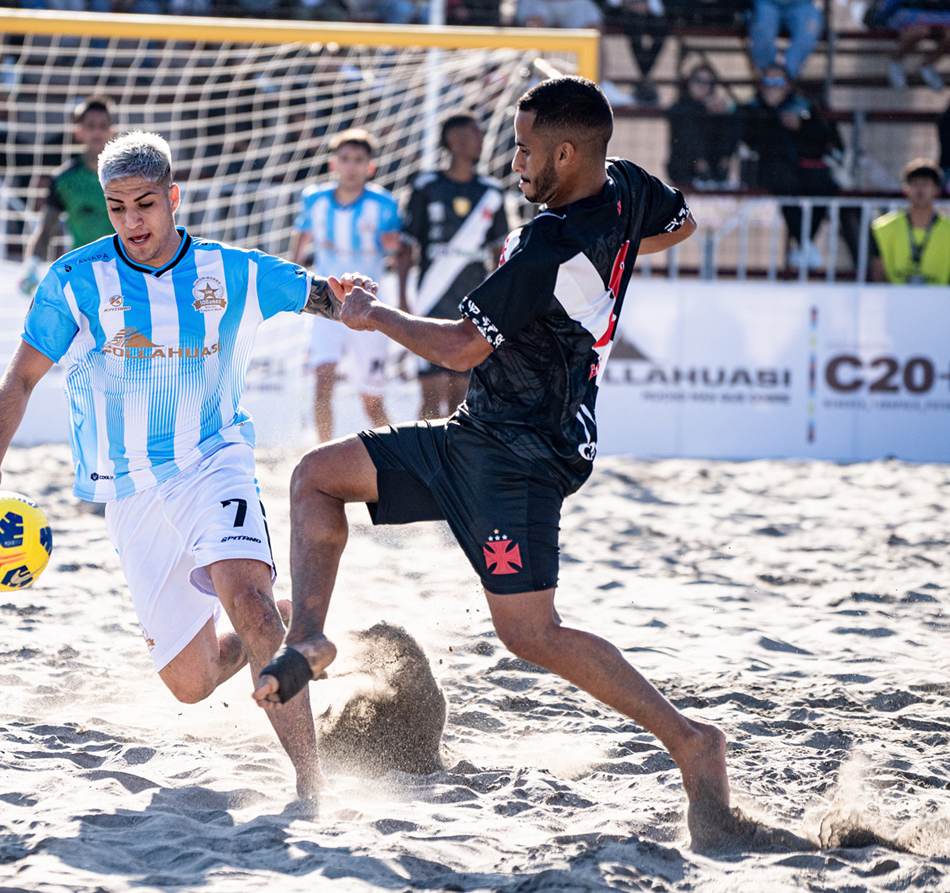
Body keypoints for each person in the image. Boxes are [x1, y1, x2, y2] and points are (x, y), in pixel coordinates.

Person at [254, 77, 733, 840]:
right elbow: (679, 225)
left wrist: (372, 315)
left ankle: (692, 739)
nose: (513, 161)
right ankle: (308, 635)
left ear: (567, 153)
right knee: (316, 475)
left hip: (522, 455)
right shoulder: (627, 187)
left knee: (530, 633)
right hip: (477, 434)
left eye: (525, 149)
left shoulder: (549, 242)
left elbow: (457, 346)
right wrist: (602, 268)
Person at [0, 131, 345, 798]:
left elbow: (328, 296)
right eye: (117, 207)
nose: (132, 221)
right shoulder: (75, 281)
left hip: (213, 459)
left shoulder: (233, 270)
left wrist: (368, 304)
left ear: (174, 197)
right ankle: (277, 618)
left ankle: (312, 781)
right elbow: (20, 379)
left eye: (145, 203)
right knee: (191, 683)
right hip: (130, 488)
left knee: (251, 607)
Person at [292, 128, 402, 443]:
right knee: (322, 381)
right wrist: (295, 274)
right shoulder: (315, 199)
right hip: (325, 303)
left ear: (370, 166)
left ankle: (393, 457)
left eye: (358, 160)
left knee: (372, 399)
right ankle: (322, 450)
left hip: (368, 307)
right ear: (333, 164)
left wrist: (394, 247)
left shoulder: (384, 203)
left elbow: (396, 250)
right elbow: (301, 238)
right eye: (344, 159)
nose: (351, 166)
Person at [397, 113, 509, 420]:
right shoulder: (426, 185)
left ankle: (453, 465)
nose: (481, 141)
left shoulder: (491, 192)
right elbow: (406, 248)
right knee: (431, 395)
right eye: (474, 135)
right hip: (430, 298)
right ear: (453, 141)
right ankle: (421, 465)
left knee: (463, 394)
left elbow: (500, 251)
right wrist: (406, 300)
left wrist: (498, 301)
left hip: (473, 300)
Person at [739, 64, 858, 271]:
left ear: (788, 85)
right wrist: (771, 115)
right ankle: (805, 244)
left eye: (779, 82)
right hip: (771, 166)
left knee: (823, 185)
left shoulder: (804, 106)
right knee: (786, 184)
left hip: (806, 165)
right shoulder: (753, 108)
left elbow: (824, 137)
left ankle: (804, 243)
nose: (774, 87)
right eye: (769, 82)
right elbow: (750, 140)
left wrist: (801, 126)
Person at [21, 96, 117, 295]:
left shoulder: (128, 177)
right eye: (91, 126)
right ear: (79, 132)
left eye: (103, 125)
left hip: (126, 272)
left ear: (112, 131)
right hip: (83, 276)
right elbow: (46, 228)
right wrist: (31, 266)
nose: (97, 132)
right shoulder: (64, 180)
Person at [870, 159, 950, 284]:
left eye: (925, 183)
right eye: (914, 183)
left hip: (939, 301)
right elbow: (878, 272)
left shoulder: (947, 229)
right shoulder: (883, 227)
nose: (920, 189)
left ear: (937, 189)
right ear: (906, 189)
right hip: (895, 299)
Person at [665, 64, 740, 190]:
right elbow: (678, 115)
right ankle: (704, 169)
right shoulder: (680, 107)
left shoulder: (716, 107)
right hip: (684, 170)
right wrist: (703, 107)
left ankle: (721, 166)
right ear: (689, 82)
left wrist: (728, 107)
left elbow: (738, 113)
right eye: (698, 80)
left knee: (729, 119)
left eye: (708, 82)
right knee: (689, 121)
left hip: (714, 167)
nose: (703, 85)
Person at [748, 0, 823, 80]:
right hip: (765, 3)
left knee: (809, 30)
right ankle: (768, 78)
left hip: (803, 4)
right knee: (761, 30)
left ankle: (786, 79)